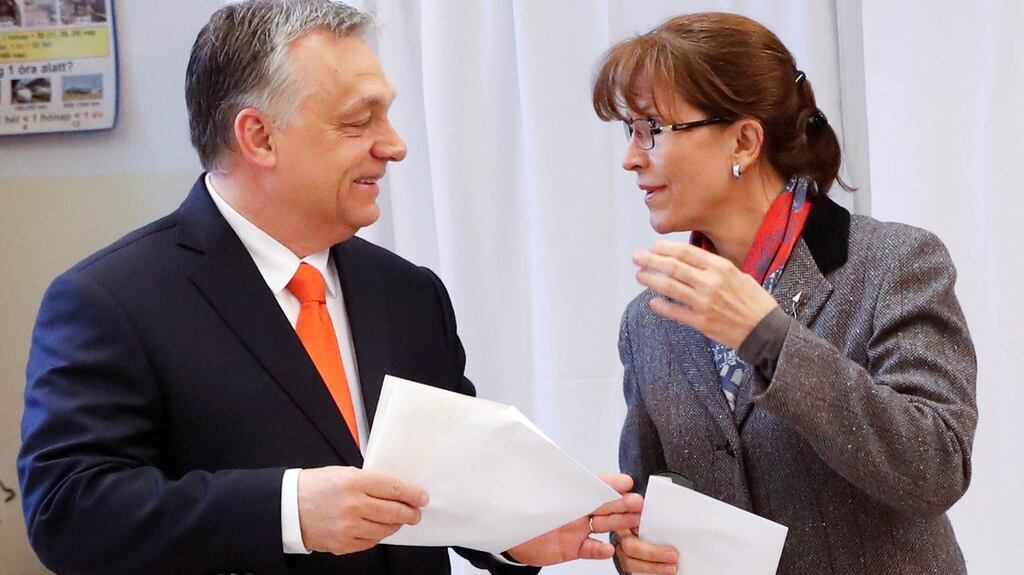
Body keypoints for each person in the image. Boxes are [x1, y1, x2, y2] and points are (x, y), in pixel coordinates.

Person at [17, 2, 640, 574]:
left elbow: (448, 487)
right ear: (258, 136)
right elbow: (68, 511)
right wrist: (287, 510)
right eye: (357, 121)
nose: (393, 145)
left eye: (388, 114)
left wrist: (511, 532)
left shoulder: (409, 293)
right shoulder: (111, 299)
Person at [590, 12, 977, 575]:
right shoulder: (650, 318)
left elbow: (935, 468)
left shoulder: (892, 264)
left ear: (744, 141)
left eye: (651, 128)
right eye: (629, 131)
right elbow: (654, 503)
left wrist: (770, 339)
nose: (630, 156)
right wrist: (635, 554)